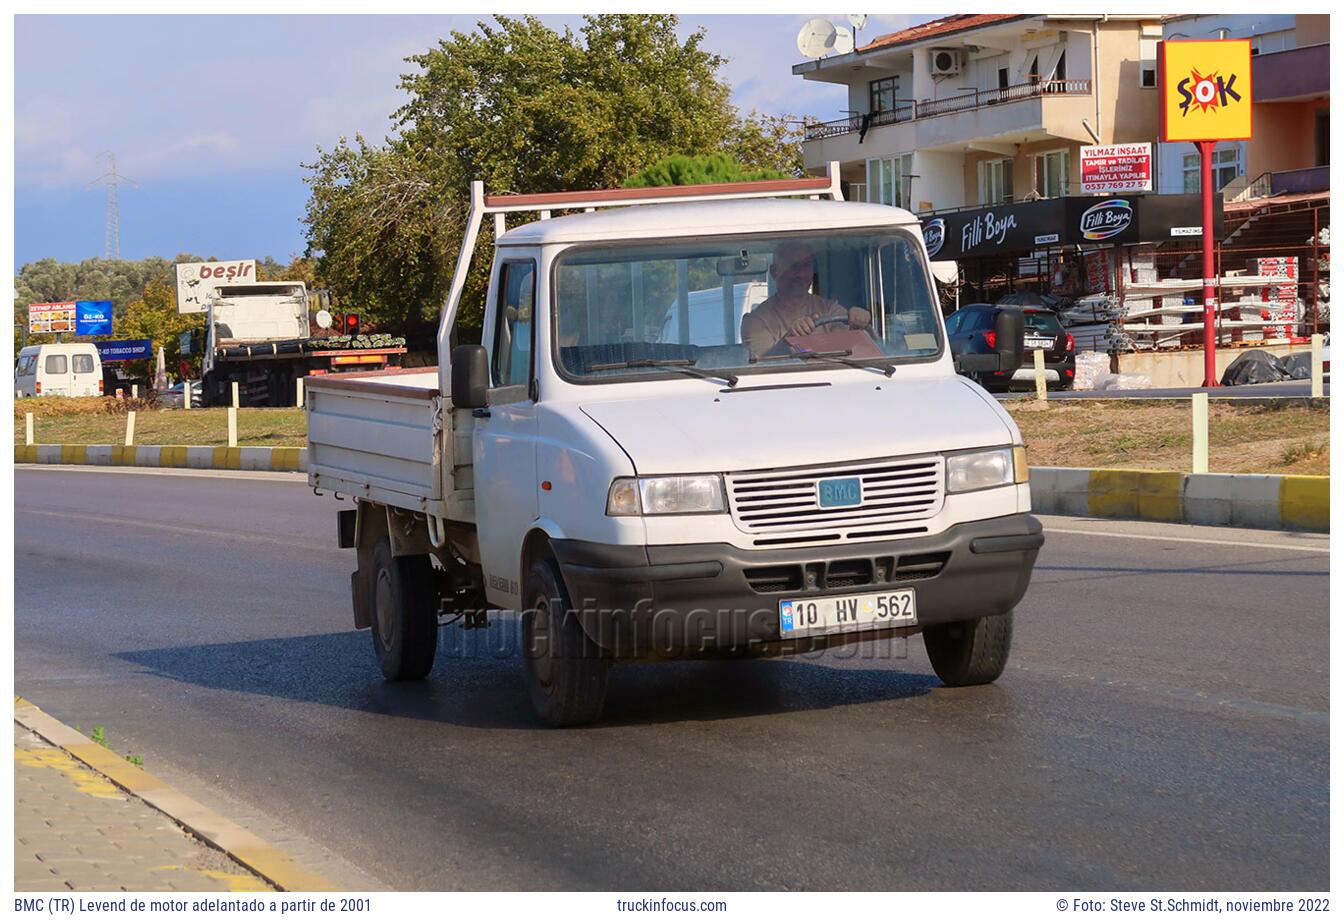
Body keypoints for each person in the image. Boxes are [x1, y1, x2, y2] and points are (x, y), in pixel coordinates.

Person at [740, 241, 870, 358]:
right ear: (774, 272)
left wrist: (858, 323)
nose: (801, 274)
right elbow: (763, 366)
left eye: (806, 265)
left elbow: (852, 351)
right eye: (793, 266)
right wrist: (790, 339)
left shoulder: (830, 310)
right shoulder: (756, 322)